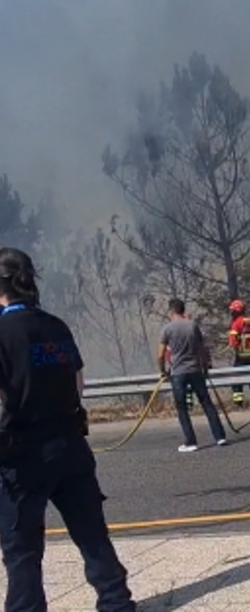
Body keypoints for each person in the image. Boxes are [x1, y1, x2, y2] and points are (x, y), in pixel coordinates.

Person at [0, 247, 136, 611]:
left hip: (22, 455)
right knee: (92, 534)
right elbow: (77, 382)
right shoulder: (56, 325)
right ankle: (116, 602)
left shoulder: (2, 331)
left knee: (22, 551)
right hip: (71, 446)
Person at [157, 298, 228, 452]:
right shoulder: (193, 326)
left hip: (178, 373)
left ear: (171, 311)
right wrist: (205, 366)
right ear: (183, 310)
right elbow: (201, 348)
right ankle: (220, 437)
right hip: (196, 370)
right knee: (207, 403)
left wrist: (162, 371)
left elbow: (161, 354)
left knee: (182, 408)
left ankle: (191, 442)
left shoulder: (167, 329)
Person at [227, 299, 250, 407]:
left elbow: (233, 342)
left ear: (236, 311)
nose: (231, 313)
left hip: (241, 356)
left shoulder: (236, 323)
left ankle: (238, 402)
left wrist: (234, 343)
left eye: (232, 311)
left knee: (236, 377)